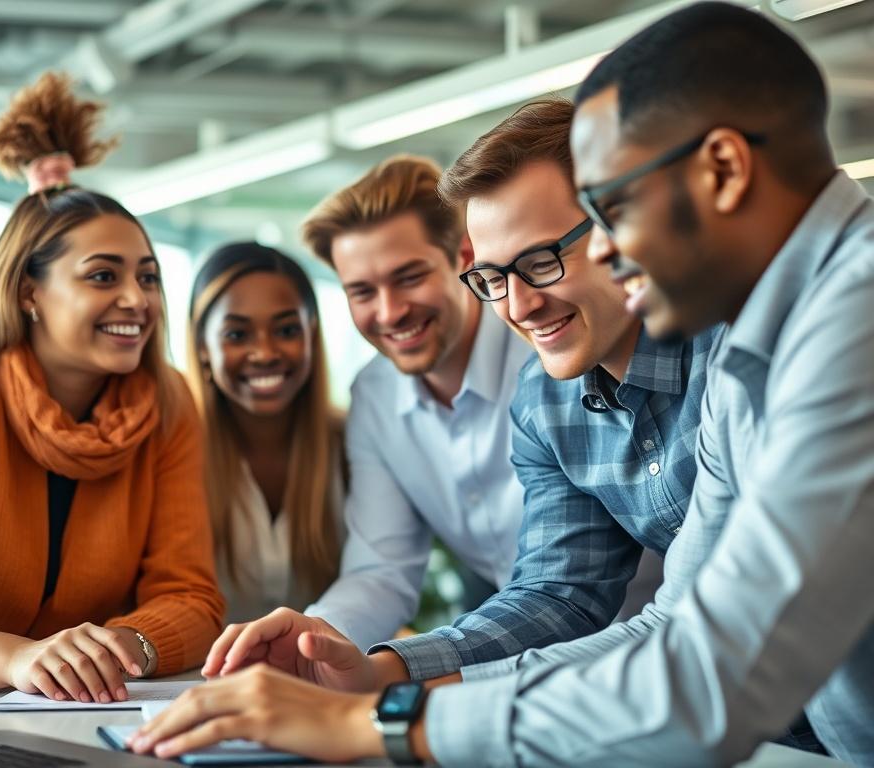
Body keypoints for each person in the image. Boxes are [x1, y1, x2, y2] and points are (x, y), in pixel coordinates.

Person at [133, 4, 874, 766]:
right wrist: (391, 683)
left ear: (723, 168)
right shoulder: (770, 337)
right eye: (492, 277)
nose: (613, 252)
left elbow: (711, 680)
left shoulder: (845, 323)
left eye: (612, 210)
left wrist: (384, 725)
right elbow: (672, 625)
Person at [201, 101, 713, 693]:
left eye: (542, 262)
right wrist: (349, 660)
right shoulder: (544, 394)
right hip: (587, 674)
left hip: (653, 674)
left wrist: (421, 699)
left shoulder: (712, 353)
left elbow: (694, 623)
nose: (519, 306)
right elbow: (555, 592)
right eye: (362, 290)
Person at [0, 72, 224, 706]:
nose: (136, 300)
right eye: (102, 275)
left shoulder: (167, 399)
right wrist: (22, 658)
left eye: (147, 276)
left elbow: (191, 598)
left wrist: (121, 649)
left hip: (86, 712)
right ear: (29, 291)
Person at [204, 154, 532, 662]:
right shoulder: (375, 395)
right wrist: (312, 637)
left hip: (649, 628)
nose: (389, 311)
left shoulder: (539, 352)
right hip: (533, 650)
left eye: (408, 277)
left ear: (463, 256)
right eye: (362, 291)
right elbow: (383, 567)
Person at [185, 242, 345, 624]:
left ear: (312, 334)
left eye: (287, 329)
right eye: (237, 335)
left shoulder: (352, 445)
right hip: (198, 677)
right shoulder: (174, 454)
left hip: (324, 675)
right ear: (203, 346)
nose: (265, 353)